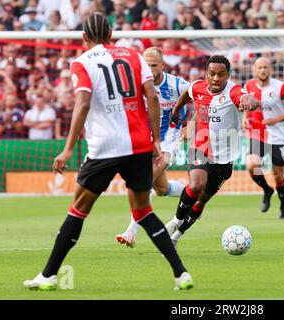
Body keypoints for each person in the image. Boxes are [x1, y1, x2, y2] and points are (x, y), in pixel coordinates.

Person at [23, 12, 193, 291]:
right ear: (111, 34)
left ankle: (49, 275)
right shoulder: (135, 56)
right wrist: (156, 143)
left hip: (103, 147)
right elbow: (152, 95)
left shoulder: (81, 63)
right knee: (144, 212)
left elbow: (83, 103)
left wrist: (68, 148)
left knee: (77, 211)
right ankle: (181, 274)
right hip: (138, 144)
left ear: (84, 38)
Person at [164, 55, 260, 247]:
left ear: (228, 75)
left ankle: (177, 236)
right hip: (201, 145)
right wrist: (176, 112)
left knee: (201, 202)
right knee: (196, 184)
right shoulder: (197, 87)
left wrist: (250, 103)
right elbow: (187, 95)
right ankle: (175, 221)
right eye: (212, 74)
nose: (216, 78)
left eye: (221, 74)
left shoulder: (233, 91)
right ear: (206, 74)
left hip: (225, 157)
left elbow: (248, 98)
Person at [115, 47, 190, 248]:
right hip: (145, 138)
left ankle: (131, 231)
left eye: (154, 64)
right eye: (146, 64)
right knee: (162, 189)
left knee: (146, 177)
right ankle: (192, 195)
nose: (150, 68)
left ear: (162, 65)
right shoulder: (137, 85)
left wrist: (189, 126)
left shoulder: (176, 84)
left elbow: (200, 97)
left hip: (169, 138)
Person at [242, 57, 284, 219]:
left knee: (278, 175)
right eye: (259, 68)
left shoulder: (282, 87)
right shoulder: (249, 86)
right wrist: (245, 117)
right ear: (254, 70)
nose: (262, 70)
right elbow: (247, 105)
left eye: (265, 67)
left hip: (278, 136)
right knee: (252, 164)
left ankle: (283, 207)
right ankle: (267, 189)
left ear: (270, 69)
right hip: (257, 133)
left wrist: (275, 120)